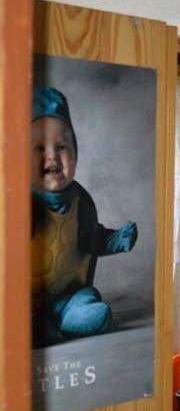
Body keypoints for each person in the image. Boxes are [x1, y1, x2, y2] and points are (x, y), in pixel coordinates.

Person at [31, 86, 137, 345]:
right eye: (38, 148)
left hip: (70, 293)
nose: (52, 156)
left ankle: (70, 318)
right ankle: (35, 322)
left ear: (75, 154)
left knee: (89, 304)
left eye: (62, 146)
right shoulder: (19, 203)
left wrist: (113, 240)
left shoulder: (81, 202)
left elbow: (90, 237)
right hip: (28, 297)